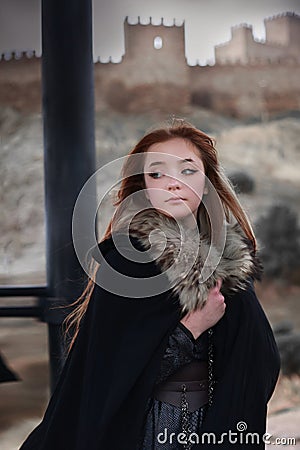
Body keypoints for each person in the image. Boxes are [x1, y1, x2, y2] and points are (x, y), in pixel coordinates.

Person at [21, 119, 280, 450]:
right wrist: (191, 330)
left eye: (187, 170)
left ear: (206, 183)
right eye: (157, 173)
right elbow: (109, 377)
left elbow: (258, 360)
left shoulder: (228, 262)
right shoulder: (126, 263)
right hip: (147, 433)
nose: (173, 183)